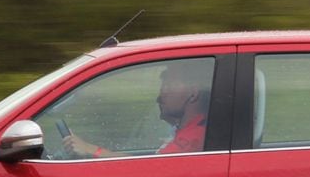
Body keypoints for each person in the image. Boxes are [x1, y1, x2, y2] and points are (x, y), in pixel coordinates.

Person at [62, 62, 209, 158]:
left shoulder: (194, 137)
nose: (159, 96)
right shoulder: (191, 131)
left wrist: (90, 149)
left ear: (193, 93)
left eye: (168, 85)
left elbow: (150, 169)